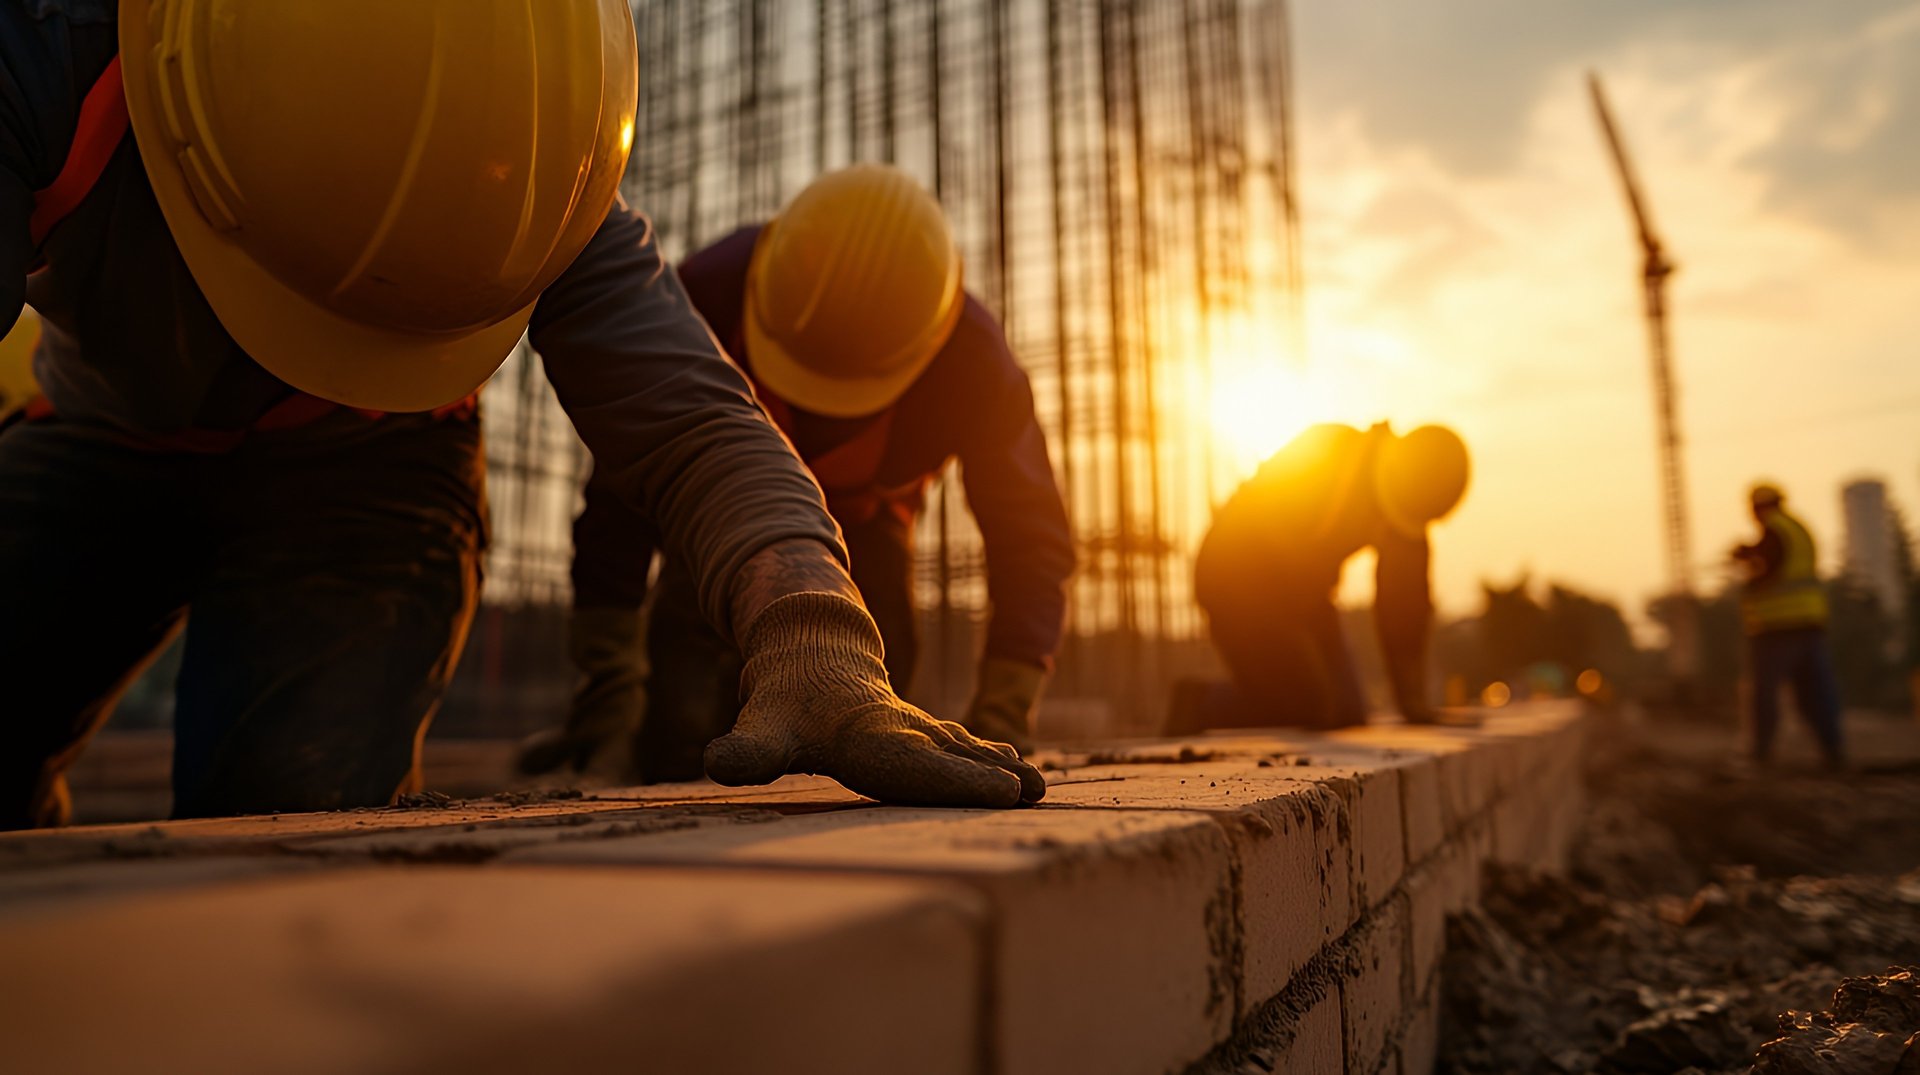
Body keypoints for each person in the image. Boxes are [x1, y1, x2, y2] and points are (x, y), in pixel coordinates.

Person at [1, 0, 1042, 830]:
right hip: (96, 436)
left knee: (277, 822)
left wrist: (816, 634)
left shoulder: (532, 158)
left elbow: (690, 423)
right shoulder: (45, 58)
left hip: (370, 470)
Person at [519, 164, 1075, 781]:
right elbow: (625, 488)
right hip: (719, 519)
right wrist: (612, 677)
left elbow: (1028, 538)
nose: (814, 423)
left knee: (869, 691)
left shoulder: (975, 365)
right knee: (680, 698)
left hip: (866, 529)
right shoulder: (707, 290)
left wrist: (1004, 709)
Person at [1171, 422, 1470, 732]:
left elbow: (1403, 609)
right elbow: (1264, 542)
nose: (1387, 529)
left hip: (1304, 593)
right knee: (1310, 706)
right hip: (1233, 580)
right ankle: (1200, 703)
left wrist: (1413, 701)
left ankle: (1301, 697)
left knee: (1347, 711)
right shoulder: (1326, 455)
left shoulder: (1411, 507)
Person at [1730, 483, 1844, 767]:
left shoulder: (1773, 530)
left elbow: (1769, 567)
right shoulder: (1798, 528)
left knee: (1763, 692)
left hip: (1777, 626)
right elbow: (1784, 560)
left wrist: (1747, 574)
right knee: (1815, 691)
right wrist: (1750, 552)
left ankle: (1760, 753)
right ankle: (1833, 751)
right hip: (1810, 622)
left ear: (1757, 508)